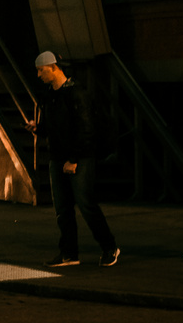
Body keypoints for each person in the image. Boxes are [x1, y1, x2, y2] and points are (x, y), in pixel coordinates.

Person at [24, 51, 119, 267]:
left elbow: (86, 129)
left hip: (79, 158)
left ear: (54, 67)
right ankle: (69, 253)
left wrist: (73, 159)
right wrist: (38, 128)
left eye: (41, 70)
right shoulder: (51, 94)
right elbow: (53, 128)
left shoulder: (77, 94)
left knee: (85, 204)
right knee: (63, 208)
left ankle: (109, 247)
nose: (39, 75)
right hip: (59, 158)